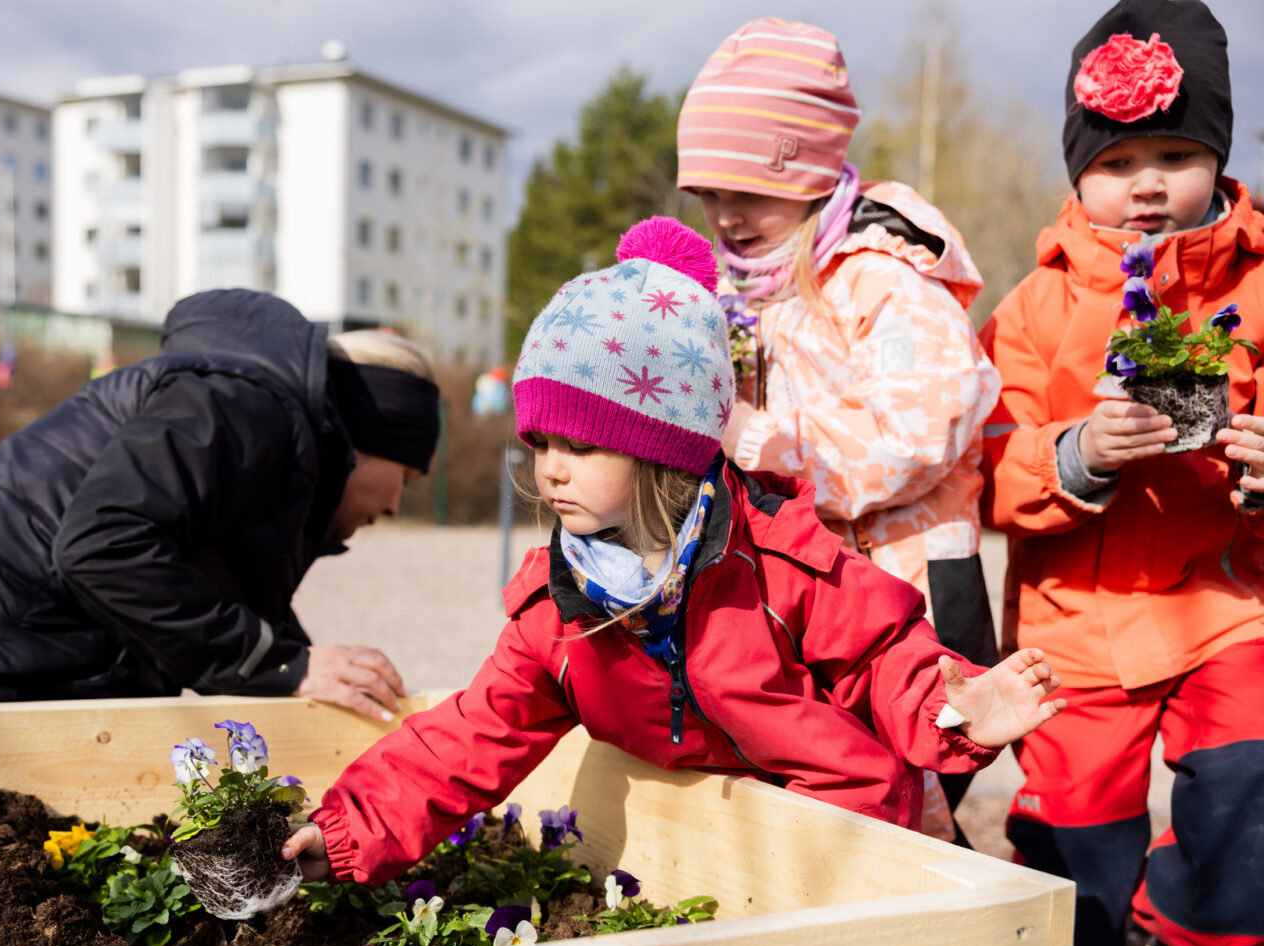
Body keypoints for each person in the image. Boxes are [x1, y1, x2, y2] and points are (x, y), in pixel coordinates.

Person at [282, 217, 1066, 890]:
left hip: (844, 842)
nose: (551, 466)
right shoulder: (559, 610)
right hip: (708, 856)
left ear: (663, 451)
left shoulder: (778, 559)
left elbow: (883, 653)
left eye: (583, 443)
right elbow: (470, 735)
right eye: (543, 441)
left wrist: (957, 708)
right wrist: (347, 830)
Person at [980, 1, 1264, 946]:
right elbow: (982, 468)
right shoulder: (1033, 309)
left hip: (1223, 599)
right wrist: (1078, 453)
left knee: (1249, 770)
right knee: (1076, 830)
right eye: (1118, 161)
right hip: (1074, 623)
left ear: (1219, 156)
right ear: (1077, 176)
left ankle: (1209, 933)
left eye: (1177, 153)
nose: (1146, 182)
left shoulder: (1258, 284)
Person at [0, 289, 440, 720]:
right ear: (367, 438)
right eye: (407, 476)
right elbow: (102, 545)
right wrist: (281, 664)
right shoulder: (246, 408)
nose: (394, 505)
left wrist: (298, 664)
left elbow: (212, 601)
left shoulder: (260, 435)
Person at [675, 18, 1004, 843]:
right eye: (710, 194)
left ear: (812, 171)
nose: (727, 215)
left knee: (909, 788)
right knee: (841, 786)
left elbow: (928, 420)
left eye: (747, 191)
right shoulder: (749, 291)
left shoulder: (882, 281)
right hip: (817, 587)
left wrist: (771, 444)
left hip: (907, 586)